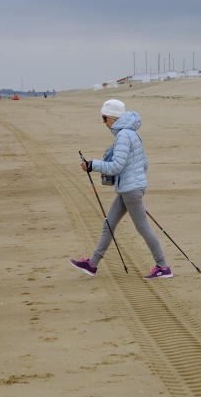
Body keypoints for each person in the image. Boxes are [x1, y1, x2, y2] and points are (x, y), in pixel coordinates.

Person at [70, 99, 172, 279]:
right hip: (129, 189)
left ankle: (163, 266)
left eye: (104, 118)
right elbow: (144, 163)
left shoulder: (124, 135)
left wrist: (93, 165)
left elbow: (116, 166)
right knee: (108, 224)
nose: (104, 123)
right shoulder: (131, 133)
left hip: (130, 191)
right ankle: (92, 264)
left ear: (112, 118)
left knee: (142, 228)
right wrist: (134, 178)